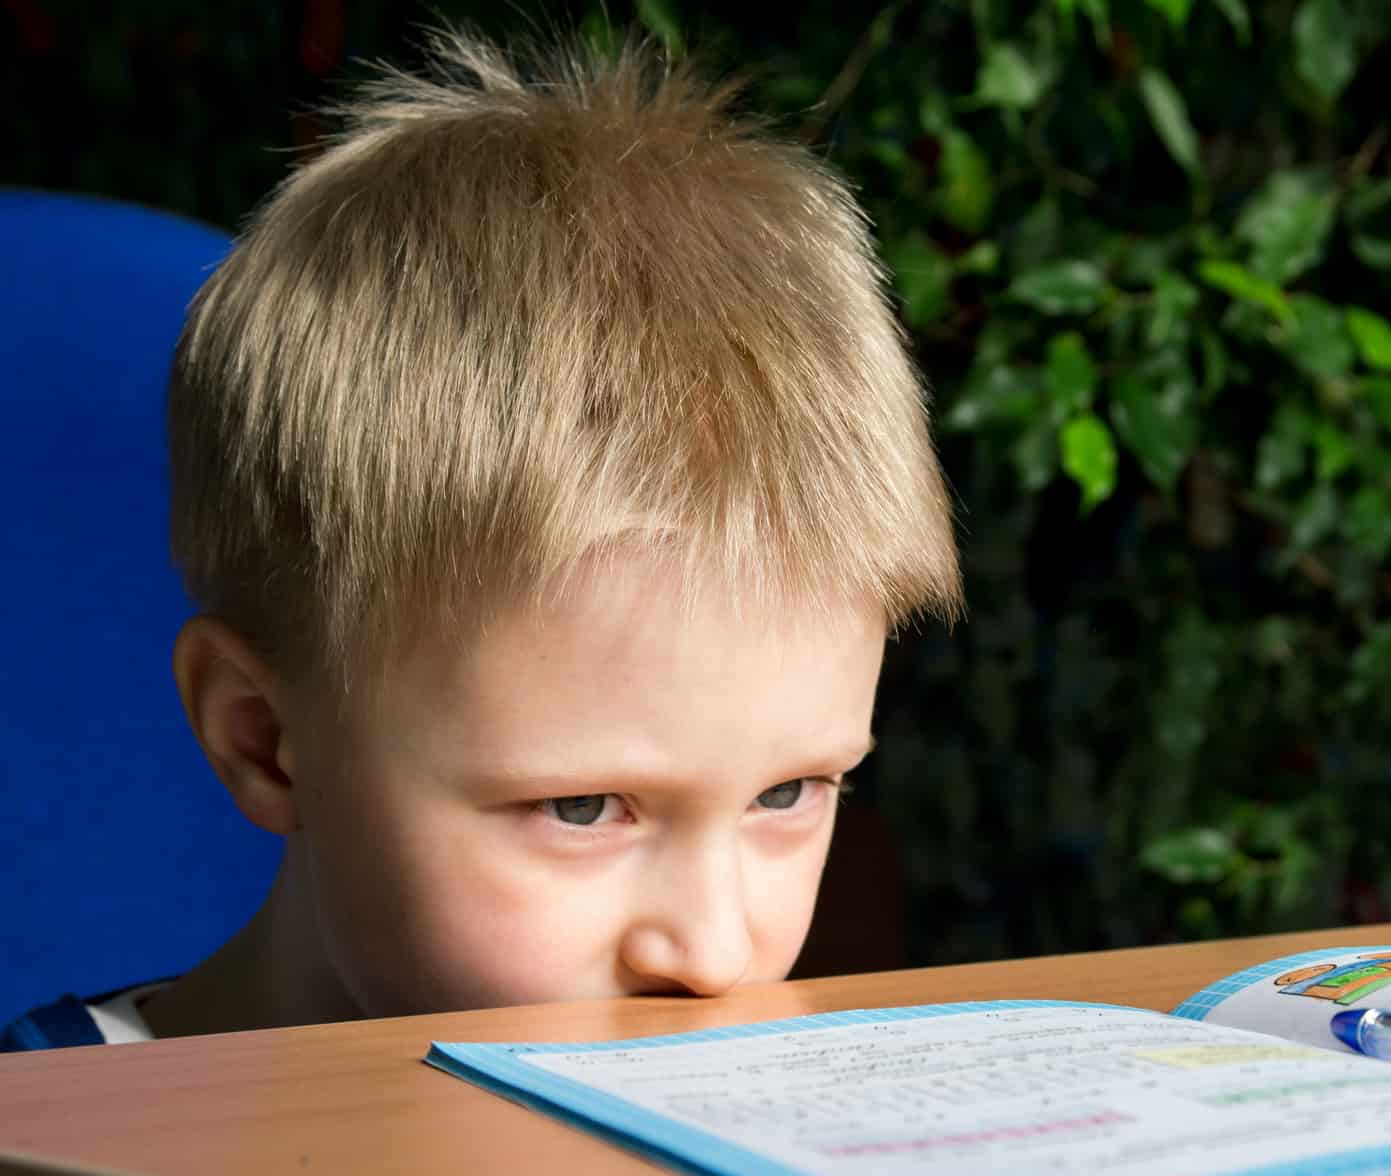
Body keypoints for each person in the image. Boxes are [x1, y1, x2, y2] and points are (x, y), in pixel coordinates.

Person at [0, 29, 960, 1052]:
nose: (716, 953)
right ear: (263, 740)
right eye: (585, 809)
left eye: (786, 793)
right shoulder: (43, 1152)